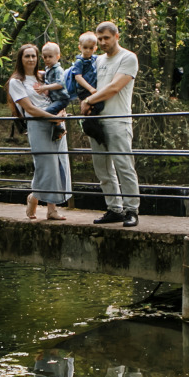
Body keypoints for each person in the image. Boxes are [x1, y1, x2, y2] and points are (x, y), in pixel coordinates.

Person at [80, 21, 139, 226]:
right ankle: (114, 209)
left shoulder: (128, 58)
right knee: (102, 169)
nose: (103, 42)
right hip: (97, 121)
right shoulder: (97, 60)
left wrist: (88, 101)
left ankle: (132, 210)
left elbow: (114, 87)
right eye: (100, 39)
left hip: (118, 119)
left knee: (124, 165)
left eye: (106, 37)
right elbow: (81, 79)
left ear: (116, 36)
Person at [6, 43, 72, 220]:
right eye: (27, 56)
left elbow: (61, 92)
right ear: (21, 59)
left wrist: (61, 112)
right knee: (45, 165)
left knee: (58, 163)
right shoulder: (16, 82)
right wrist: (51, 117)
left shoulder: (45, 76)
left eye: (34, 56)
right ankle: (34, 197)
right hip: (38, 124)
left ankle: (52, 209)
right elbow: (30, 109)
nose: (31, 59)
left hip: (57, 122)